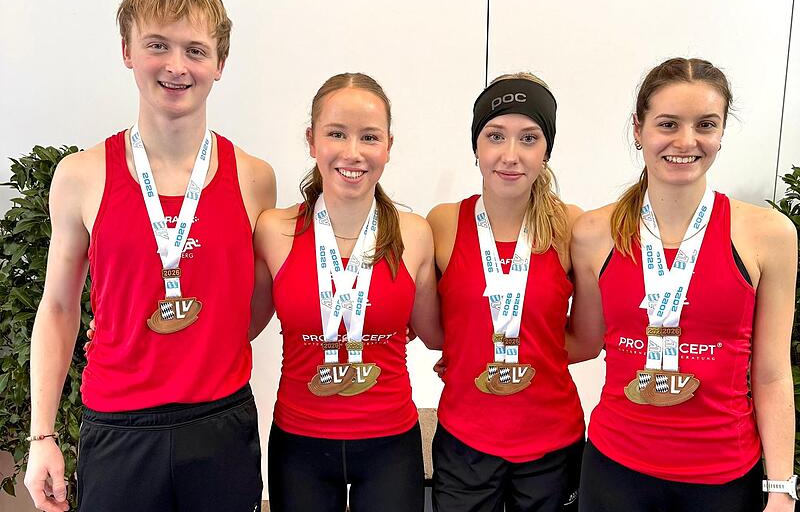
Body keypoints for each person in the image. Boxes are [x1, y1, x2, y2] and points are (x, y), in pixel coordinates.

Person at [24, 0, 276, 512]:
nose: (176, 66)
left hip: (221, 423)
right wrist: (41, 435)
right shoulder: (82, 175)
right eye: (157, 45)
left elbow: (256, 303)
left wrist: (202, 340)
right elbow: (60, 306)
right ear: (127, 51)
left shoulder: (253, 177)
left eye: (195, 50)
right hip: (118, 429)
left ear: (220, 64)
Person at [569, 58, 797, 512]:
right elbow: (585, 341)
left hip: (723, 478)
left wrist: (781, 488)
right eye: (668, 123)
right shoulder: (594, 233)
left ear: (721, 132)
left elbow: (771, 374)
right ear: (638, 129)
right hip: (616, 471)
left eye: (705, 125)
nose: (686, 141)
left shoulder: (767, 234)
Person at [255, 72, 441, 512]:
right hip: (299, 442)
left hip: (390, 443)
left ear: (389, 147)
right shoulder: (274, 231)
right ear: (312, 140)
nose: (353, 152)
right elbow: (236, 327)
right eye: (336, 133)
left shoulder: (414, 235)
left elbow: (437, 335)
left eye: (369, 137)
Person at [427, 73, 585, 512]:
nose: (510, 155)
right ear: (476, 145)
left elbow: (588, 340)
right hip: (465, 440)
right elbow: (439, 327)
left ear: (546, 149)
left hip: (552, 442)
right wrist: (476, 353)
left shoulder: (571, 227)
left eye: (528, 138)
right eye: (496, 136)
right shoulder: (443, 224)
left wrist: (521, 358)